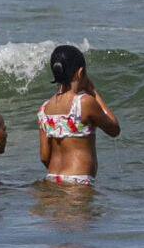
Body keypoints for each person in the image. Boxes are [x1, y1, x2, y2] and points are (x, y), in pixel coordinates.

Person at [36, 45, 121, 185]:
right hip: (78, 181)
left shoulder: (44, 109)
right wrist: (93, 91)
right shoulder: (84, 103)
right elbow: (114, 129)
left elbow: (45, 157)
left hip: (52, 179)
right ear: (81, 72)